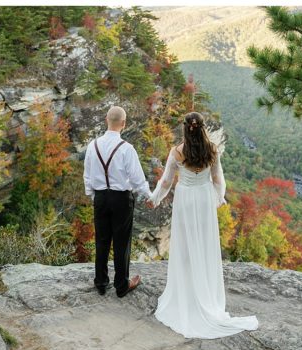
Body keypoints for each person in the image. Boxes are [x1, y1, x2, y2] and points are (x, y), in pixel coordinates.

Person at [147, 112, 259, 338]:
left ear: (185, 128)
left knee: (186, 244)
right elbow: (218, 179)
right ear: (202, 128)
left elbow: (167, 181)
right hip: (204, 199)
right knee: (206, 244)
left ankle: (186, 292)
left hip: (186, 198)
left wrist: (155, 197)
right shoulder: (213, 150)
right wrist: (219, 198)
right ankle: (205, 291)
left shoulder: (177, 152)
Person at [83, 106, 151, 297]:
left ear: (106, 119)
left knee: (102, 240)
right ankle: (121, 285)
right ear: (123, 124)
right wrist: (149, 196)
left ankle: (101, 282)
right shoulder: (127, 149)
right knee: (122, 242)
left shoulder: (92, 146)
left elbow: (87, 176)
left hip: (101, 197)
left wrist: (94, 195)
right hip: (121, 199)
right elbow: (137, 179)